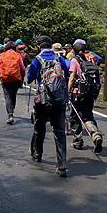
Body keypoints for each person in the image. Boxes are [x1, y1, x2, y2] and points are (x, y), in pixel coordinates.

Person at [27, 35, 70, 178]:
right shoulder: (59, 59)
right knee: (59, 132)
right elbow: (67, 72)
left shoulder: (37, 60)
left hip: (43, 100)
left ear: (39, 45)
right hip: (59, 99)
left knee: (40, 127)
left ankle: (37, 153)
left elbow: (29, 78)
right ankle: (62, 165)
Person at [68, 41, 103, 153]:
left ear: (74, 50)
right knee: (88, 116)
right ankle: (95, 134)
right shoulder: (90, 59)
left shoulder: (74, 60)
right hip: (90, 93)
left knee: (75, 116)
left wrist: (68, 91)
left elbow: (72, 77)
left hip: (78, 93)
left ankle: (77, 141)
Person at [0, 41, 26, 125]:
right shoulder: (18, 55)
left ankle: (10, 114)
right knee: (13, 95)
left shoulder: (2, 55)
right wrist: (22, 78)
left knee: (7, 96)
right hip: (16, 78)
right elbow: (23, 68)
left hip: (5, 78)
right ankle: (12, 109)